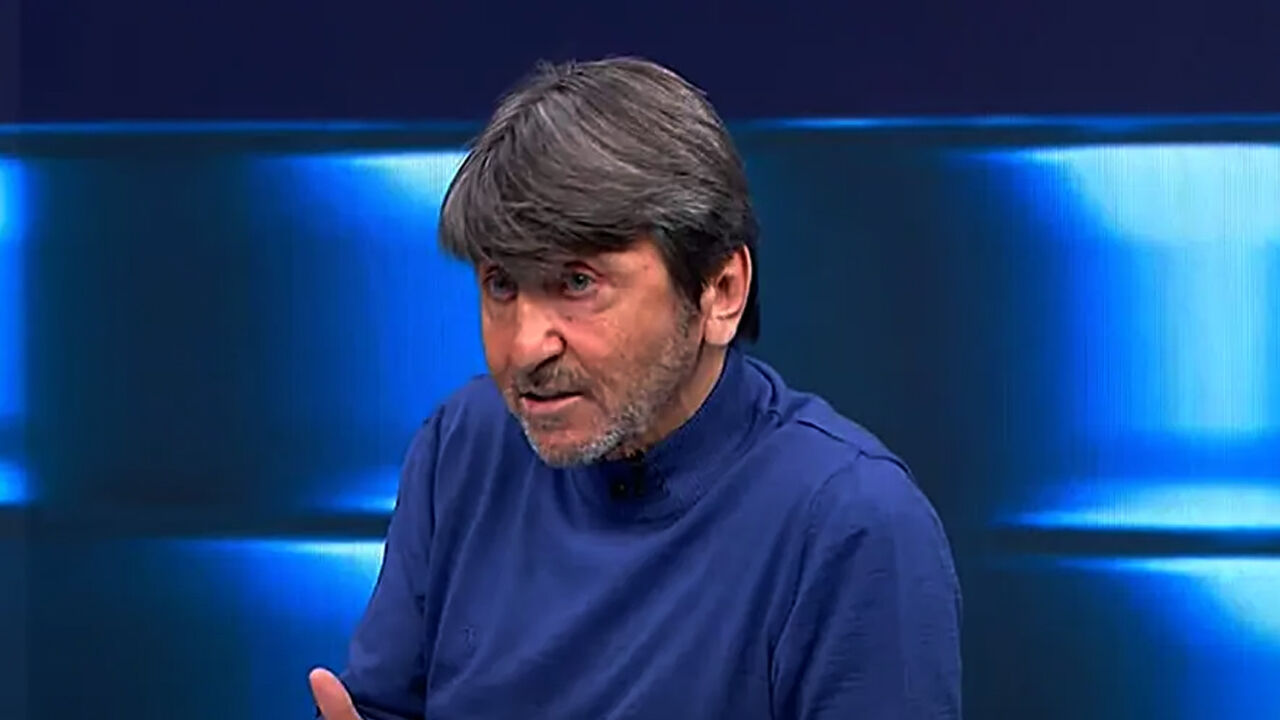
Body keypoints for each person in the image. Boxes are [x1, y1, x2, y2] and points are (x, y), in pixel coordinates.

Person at [308, 56, 961, 719]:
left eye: (578, 282)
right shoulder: (463, 445)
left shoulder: (852, 524)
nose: (527, 346)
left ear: (721, 291)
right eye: (501, 284)